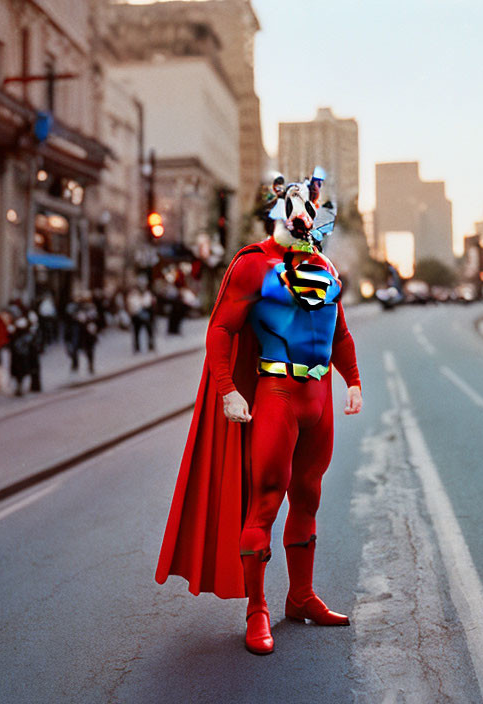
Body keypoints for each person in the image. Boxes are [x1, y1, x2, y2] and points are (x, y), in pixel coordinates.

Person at [156, 179, 362, 656]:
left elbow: (341, 332)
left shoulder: (324, 266)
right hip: (277, 392)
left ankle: (301, 596)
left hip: (318, 397)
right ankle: (256, 609)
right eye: (294, 209)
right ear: (277, 212)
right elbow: (222, 330)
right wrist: (228, 390)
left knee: (308, 496)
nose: (304, 218)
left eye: (310, 209)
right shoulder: (252, 265)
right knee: (265, 500)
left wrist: (352, 380)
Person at [126, 279, 156, 353]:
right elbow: (133, 305)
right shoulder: (133, 295)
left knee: (149, 330)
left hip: (145, 315)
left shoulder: (147, 294)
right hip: (136, 316)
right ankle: (137, 347)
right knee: (136, 332)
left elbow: (148, 303)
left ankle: (150, 345)